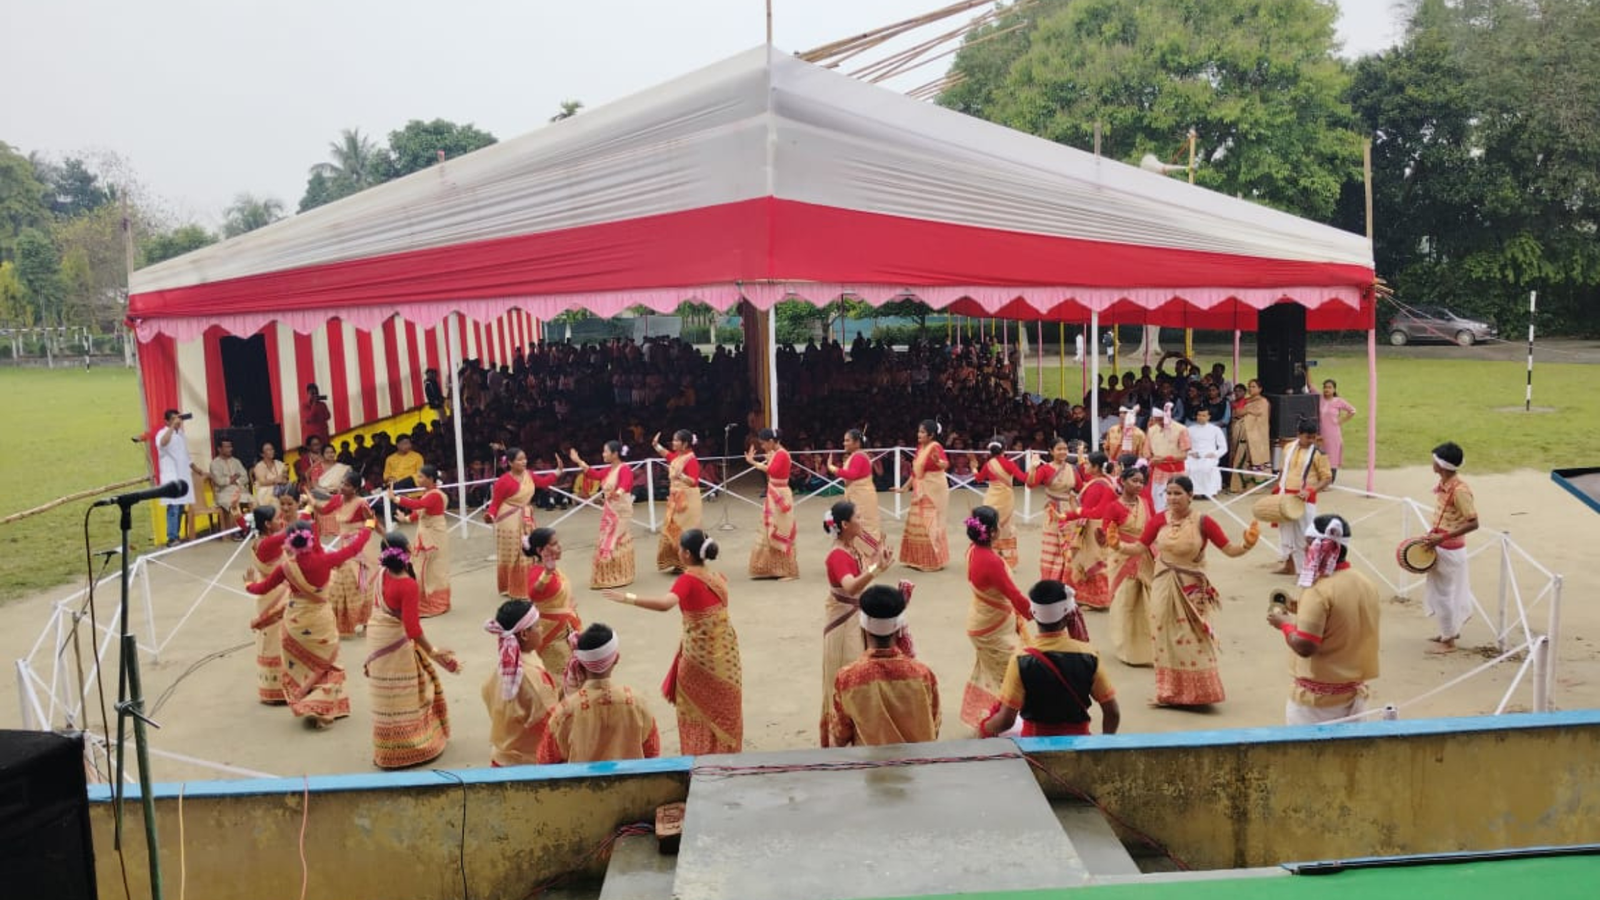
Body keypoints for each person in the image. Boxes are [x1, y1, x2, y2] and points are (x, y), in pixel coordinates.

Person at [1120, 477, 1258, 707]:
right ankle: (1168, 693)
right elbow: (1138, 547)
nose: (1172, 498)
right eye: (1169, 493)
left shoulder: (1204, 522)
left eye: (1178, 493)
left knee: (1192, 637)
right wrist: (1114, 544)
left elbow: (1230, 550)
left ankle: (1201, 693)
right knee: (1163, 636)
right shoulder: (1158, 521)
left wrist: (1247, 544)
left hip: (1191, 585)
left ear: (1191, 495)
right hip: (1163, 584)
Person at [605, 530, 743, 755]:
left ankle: (700, 753)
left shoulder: (688, 580)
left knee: (697, 704)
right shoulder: (717, 578)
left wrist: (628, 598)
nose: (677, 552)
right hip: (725, 651)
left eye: (679, 548)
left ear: (687, 554)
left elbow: (665, 604)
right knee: (722, 701)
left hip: (699, 656)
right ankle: (726, 752)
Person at [245, 521, 372, 728]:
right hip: (320, 621)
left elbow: (261, 588)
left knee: (304, 666)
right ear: (311, 540)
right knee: (329, 665)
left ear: (291, 543)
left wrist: (248, 583)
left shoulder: (287, 568)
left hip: (295, 622)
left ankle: (310, 701)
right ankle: (323, 706)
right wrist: (369, 525)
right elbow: (354, 548)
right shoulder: (326, 560)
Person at [1267, 514, 1381, 724]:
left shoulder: (1318, 591)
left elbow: (1305, 646)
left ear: (1316, 547)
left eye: (1307, 544)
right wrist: (1298, 607)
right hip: (1354, 696)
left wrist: (1283, 625)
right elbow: (1341, 616)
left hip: (1316, 706)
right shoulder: (1365, 583)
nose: (1304, 549)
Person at [365, 532, 458, 769]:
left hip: (377, 637)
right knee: (408, 692)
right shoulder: (407, 585)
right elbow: (413, 629)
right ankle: (411, 748)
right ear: (407, 552)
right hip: (395, 642)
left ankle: (387, 752)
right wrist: (434, 651)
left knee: (386, 696)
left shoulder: (382, 574)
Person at [981, 581, 1120, 737]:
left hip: (1034, 744)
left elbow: (1006, 721)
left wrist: (984, 728)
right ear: (1068, 616)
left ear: (1033, 614)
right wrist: (1105, 745)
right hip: (1078, 743)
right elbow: (1112, 713)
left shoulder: (1021, 659)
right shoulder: (1090, 655)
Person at [819, 500, 896, 745]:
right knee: (849, 678)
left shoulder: (851, 548)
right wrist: (876, 570)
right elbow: (851, 586)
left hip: (853, 619)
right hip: (844, 625)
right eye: (858, 517)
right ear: (844, 524)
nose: (862, 521)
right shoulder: (837, 555)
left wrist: (876, 561)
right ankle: (843, 738)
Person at [827, 584, 940, 747]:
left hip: (871, 769)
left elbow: (840, 736)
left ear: (863, 624)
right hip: (917, 768)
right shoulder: (923, 674)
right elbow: (934, 726)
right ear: (899, 626)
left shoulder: (847, 678)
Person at [536, 623, 662, 764]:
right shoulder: (638, 703)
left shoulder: (565, 711)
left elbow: (546, 759)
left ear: (581, 664)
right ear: (616, 658)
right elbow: (652, 752)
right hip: (630, 784)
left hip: (581, 785)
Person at [960, 506, 1036, 731]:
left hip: (984, 621)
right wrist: (1040, 615)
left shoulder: (972, 550)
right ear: (992, 532)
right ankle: (1003, 724)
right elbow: (1014, 595)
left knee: (998, 673)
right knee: (1014, 675)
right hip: (992, 627)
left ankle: (990, 716)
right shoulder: (991, 561)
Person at [482, 599, 561, 767]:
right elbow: (553, 722)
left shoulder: (500, 670)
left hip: (501, 758)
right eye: (538, 625)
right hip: (529, 764)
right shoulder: (532, 677)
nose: (542, 629)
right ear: (524, 634)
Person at [1098, 458, 1155, 667]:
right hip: (1121, 559)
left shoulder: (1146, 504)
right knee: (1125, 603)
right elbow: (1106, 532)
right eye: (1134, 481)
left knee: (1147, 603)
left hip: (1146, 556)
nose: (1139, 485)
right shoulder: (1114, 507)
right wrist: (1105, 538)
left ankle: (1147, 648)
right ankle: (1126, 649)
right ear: (1122, 481)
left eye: (1142, 482)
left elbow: (1154, 526)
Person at [1422, 442, 1479, 653]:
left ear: (1441, 465)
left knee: (1443, 594)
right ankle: (1448, 631)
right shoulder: (1447, 485)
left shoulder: (1459, 491)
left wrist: (1442, 537)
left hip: (1449, 549)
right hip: (1443, 546)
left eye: (1434, 460)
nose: (1432, 463)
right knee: (1443, 592)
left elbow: (1473, 523)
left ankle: (1449, 641)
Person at [486, 448, 558, 599]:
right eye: (519, 459)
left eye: (525, 458)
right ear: (510, 463)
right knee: (515, 553)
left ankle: (529, 584)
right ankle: (511, 587)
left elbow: (544, 482)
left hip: (526, 518)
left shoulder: (529, 475)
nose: (523, 462)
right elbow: (495, 503)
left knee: (529, 550)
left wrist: (558, 472)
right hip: (508, 520)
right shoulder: (503, 481)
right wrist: (490, 515)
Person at [316, 472, 380, 637]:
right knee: (341, 583)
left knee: (361, 583)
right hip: (345, 546)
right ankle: (343, 624)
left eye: (347, 485)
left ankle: (366, 622)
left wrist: (387, 537)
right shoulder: (337, 499)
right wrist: (310, 502)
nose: (342, 487)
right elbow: (323, 511)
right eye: (342, 483)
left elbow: (372, 521)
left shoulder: (361, 503)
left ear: (356, 489)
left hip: (361, 547)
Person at [569, 441, 637, 589]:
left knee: (616, 539)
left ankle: (620, 574)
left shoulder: (624, 469)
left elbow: (625, 484)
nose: (603, 454)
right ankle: (608, 575)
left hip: (620, 510)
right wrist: (578, 461)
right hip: (610, 509)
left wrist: (617, 493)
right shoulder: (608, 470)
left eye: (606, 451)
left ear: (615, 454)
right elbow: (594, 474)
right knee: (607, 538)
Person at [1272, 421, 1332, 578]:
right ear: (1299, 434)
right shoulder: (1288, 448)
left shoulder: (1319, 453)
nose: (1311, 440)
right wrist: (1278, 488)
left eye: (1313, 437)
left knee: (1305, 535)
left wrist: (1310, 490)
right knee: (1285, 533)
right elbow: (1282, 470)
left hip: (1305, 499)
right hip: (1285, 495)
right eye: (1308, 437)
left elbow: (1327, 478)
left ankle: (1306, 571)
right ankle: (1290, 565)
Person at [389, 465, 451, 616]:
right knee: (424, 568)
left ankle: (431, 602)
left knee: (429, 569)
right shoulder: (429, 494)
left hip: (432, 536)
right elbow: (421, 511)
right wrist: (407, 518)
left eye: (421, 477)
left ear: (430, 479)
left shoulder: (434, 495)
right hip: (428, 534)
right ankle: (426, 601)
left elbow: (418, 505)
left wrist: (396, 498)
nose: (418, 479)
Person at [244, 504, 291, 704]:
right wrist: (304, 509)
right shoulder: (268, 544)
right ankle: (280, 689)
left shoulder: (259, 542)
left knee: (272, 639)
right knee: (277, 640)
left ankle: (273, 690)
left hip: (268, 594)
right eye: (276, 519)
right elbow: (293, 530)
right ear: (266, 524)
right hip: (276, 594)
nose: (279, 521)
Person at [521, 528, 583, 677]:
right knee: (560, 677)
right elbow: (533, 593)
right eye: (554, 544)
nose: (559, 547)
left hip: (564, 629)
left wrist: (566, 607)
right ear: (540, 550)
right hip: (551, 636)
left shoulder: (552, 570)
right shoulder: (538, 572)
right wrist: (546, 574)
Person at [1066, 453, 1120, 610]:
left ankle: (1098, 601)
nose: (1085, 466)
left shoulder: (1098, 485)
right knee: (1096, 561)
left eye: (1088, 464)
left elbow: (1095, 511)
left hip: (1093, 527)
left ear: (1096, 467)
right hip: (1099, 526)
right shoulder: (1104, 481)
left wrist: (1075, 511)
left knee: (1091, 562)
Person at [896, 419, 951, 571]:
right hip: (920, 487)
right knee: (919, 521)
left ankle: (933, 561)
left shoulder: (936, 447)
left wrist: (937, 461)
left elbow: (945, 464)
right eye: (919, 431)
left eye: (922, 432)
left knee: (930, 522)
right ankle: (917, 559)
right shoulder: (920, 448)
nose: (918, 434)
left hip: (934, 488)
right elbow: (915, 471)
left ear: (931, 435)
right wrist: (904, 488)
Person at [745, 428, 799, 580]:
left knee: (781, 529)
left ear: (770, 441)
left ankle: (788, 571)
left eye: (763, 443)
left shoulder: (782, 454)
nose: (762, 447)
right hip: (775, 492)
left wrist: (753, 462)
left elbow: (772, 470)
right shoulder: (777, 453)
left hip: (780, 494)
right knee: (768, 528)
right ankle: (770, 568)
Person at [1028, 438, 1082, 583]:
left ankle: (1067, 579)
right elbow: (1030, 485)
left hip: (1070, 511)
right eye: (1059, 449)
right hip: (1053, 511)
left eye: (1065, 449)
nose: (1063, 452)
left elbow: (1080, 487)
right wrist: (1033, 467)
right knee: (1054, 547)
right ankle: (1051, 580)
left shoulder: (1072, 468)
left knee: (1069, 545)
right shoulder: (1045, 469)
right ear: (1051, 451)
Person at [971, 439, 1028, 567]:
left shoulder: (988, 464)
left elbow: (979, 479)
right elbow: (1024, 478)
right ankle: (1006, 560)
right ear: (1005, 449)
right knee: (1005, 526)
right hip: (1006, 498)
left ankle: (987, 556)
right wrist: (1034, 467)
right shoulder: (1009, 464)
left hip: (991, 497)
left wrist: (974, 468)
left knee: (988, 524)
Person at [827, 428, 884, 555]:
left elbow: (851, 475)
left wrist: (832, 468)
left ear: (857, 442)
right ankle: (860, 554)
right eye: (844, 440)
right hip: (859, 495)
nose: (844, 443)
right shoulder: (856, 456)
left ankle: (868, 555)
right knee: (857, 524)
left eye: (847, 440)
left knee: (863, 525)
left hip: (862, 496)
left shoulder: (859, 456)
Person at [653, 429, 703, 574]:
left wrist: (680, 476)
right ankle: (678, 562)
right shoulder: (678, 457)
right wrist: (656, 446)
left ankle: (689, 563)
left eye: (676, 440)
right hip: (675, 498)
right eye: (673, 440)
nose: (673, 443)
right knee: (671, 528)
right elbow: (668, 455)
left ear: (685, 443)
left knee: (685, 530)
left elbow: (694, 481)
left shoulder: (691, 459)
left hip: (688, 499)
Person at [154, 409, 202, 545]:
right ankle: (172, 537)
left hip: (183, 475)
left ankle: (177, 535)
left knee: (180, 507)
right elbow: (162, 443)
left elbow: (186, 456)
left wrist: (196, 469)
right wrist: (171, 428)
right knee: (173, 507)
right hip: (171, 477)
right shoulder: (162, 433)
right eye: (174, 419)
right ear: (167, 421)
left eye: (179, 418)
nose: (178, 421)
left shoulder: (180, 434)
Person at [1144, 405, 1190, 513]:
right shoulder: (1152, 430)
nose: (1159, 422)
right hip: (1158, 472)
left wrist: (1165, 459)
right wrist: (1151, 460)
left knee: (1177, 503)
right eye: (1156, 420)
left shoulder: (1181, 429)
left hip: (1176, 471)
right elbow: (1146, 452)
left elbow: (1184, 455)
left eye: (1161, 420)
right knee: (1158, 504)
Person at [1228, 379, 1271, 492]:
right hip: (1242, 437)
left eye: (1253, 386)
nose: (1251, 389)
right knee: (1240, 460)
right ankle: (1238, 487)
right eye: (1249, 386)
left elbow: (1261, 420)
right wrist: (1247, 411)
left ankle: (1255, 487)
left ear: (1260, 389)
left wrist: (1246, 412)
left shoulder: (1263, 402)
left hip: (1255, 437)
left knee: (1253, 460)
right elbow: (1237, 412)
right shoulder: (1246, 401)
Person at [1318, 380, 1358, 482]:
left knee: (1332, 456)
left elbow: (1352, 410)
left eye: (1329, 387)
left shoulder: (1338, 401)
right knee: (1321, 455)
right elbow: (1311, 386)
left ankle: (1330, 481)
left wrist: (1341, 421)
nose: (1327, 389)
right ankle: (1321, 479)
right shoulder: (1320, 399)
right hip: (1321, 433)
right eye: (1325, 387)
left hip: (1333, 434)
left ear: (1334, 389)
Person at [1185, 408, 1227, 499]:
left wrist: (1215, 454)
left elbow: (1223, 447)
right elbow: (1185, 446)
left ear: (1208, 417)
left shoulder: (1216, 429)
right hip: (1194, 455)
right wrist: (1191, 452)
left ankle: (1210, 491)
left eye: (1204, 416)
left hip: (1209, 455)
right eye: (1199, 415)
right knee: (1189, 467)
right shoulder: (1189, 429)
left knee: (1206, 467)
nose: (1201, 417)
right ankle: (1195, 492)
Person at [207, 437, 249, 527]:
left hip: (239, 490)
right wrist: (234, 478)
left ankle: (254, 528)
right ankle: (237, 531)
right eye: (227, 447)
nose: (230, 449)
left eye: (230, 446)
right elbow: (220, 481)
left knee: (254, 502)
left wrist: (234, 480)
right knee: (233, 504)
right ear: (219, 449)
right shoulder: (214, 464)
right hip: (223, 493)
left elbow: (245, 477)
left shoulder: (236, 461)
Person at [252, 441, 290, 506]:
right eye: (268, 450)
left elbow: (285, 478)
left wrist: (283, 478)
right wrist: (275, 480)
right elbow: (262, 482)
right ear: (262, 454)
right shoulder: (259, 466)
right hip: (265, 490)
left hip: (281, 489)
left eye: (272, 449)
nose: (271, 451)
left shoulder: (279, 463)